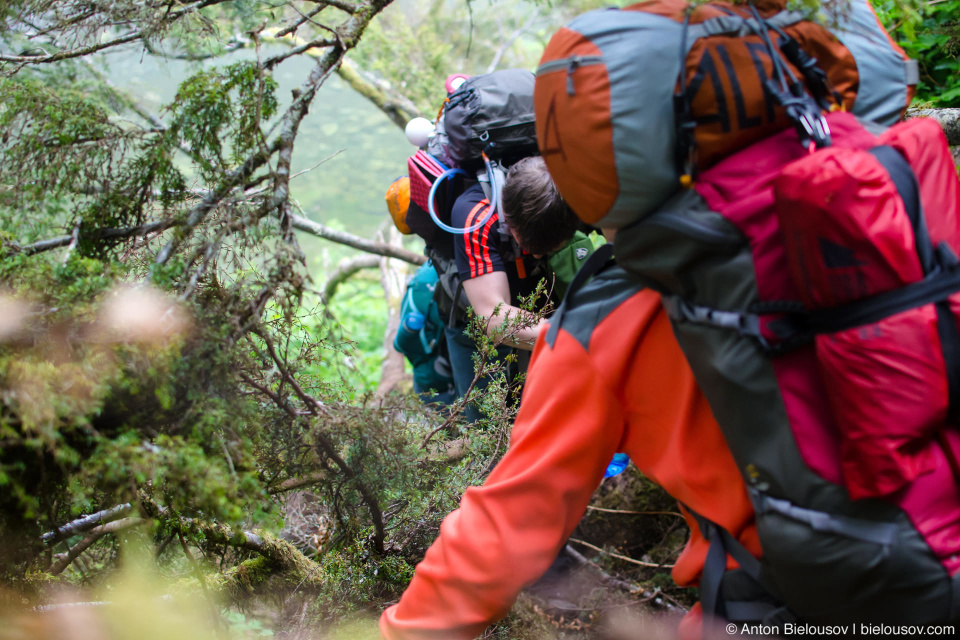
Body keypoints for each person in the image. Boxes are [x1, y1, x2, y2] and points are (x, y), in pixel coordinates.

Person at [379, 244, 761, 640]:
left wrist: (401, 634)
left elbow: (507, 524)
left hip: (754, 600)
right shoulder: (780, 249)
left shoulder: (607, 321)